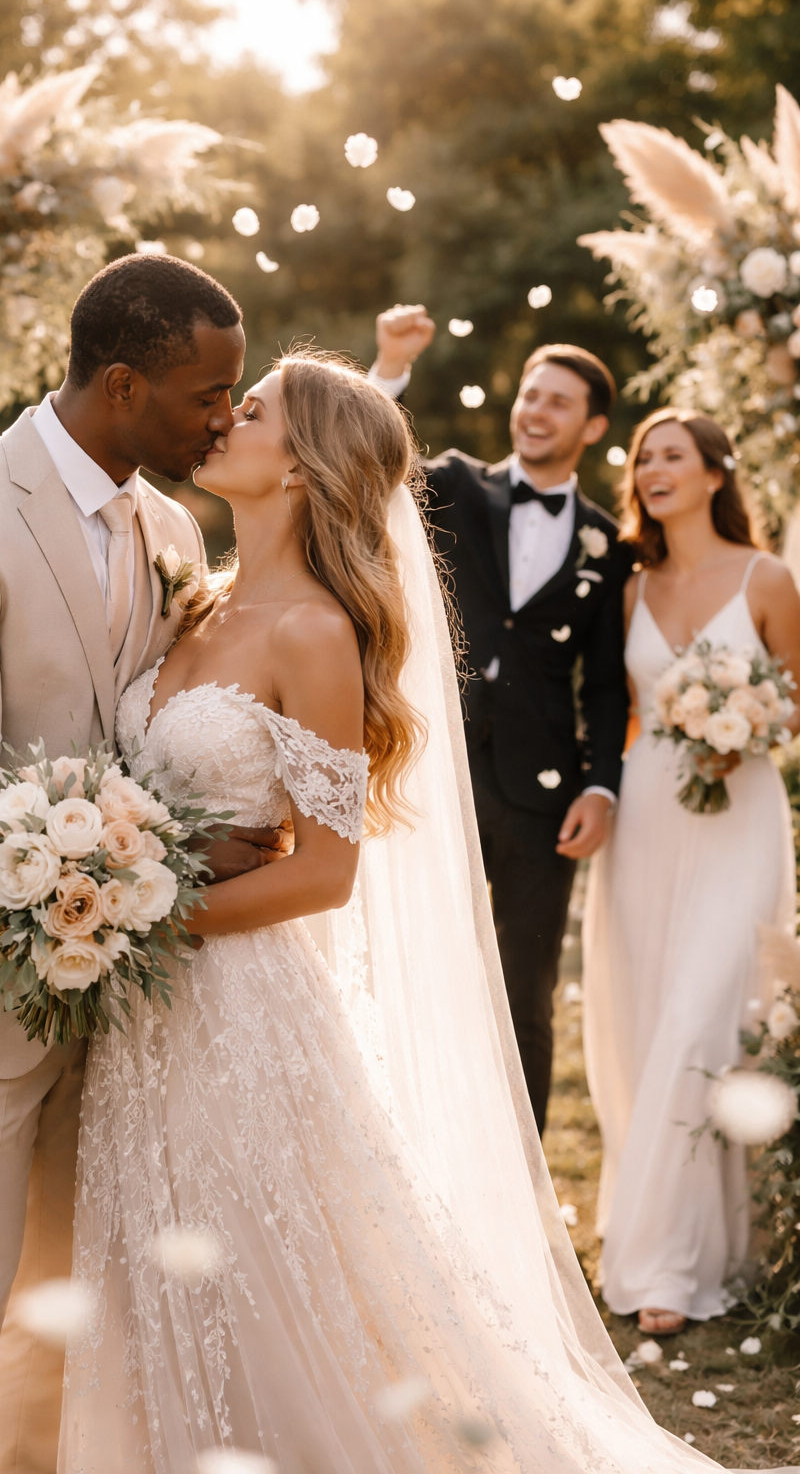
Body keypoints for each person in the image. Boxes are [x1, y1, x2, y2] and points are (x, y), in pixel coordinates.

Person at [61, 349, 765, 1473]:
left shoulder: (315, 634)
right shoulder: (188, 594)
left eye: (249, 411)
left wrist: (137, 914)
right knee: (154, 1266)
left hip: (236, 1008)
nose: (220, 421)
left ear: (300, 468)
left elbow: (326, 873)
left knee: (271, 1273)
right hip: (139, 1005)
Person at [0, 255, 290, 1473]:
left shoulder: (170, 527)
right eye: (209, 392)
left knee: (59, 1318)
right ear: (124, 382)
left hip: (120, 1008)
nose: (224, 416)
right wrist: (182, 856)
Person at [370, 309, 631, 1133]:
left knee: (528, 991)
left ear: (591, 426)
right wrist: (390, 368)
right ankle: (416, 1145)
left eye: (558, 402)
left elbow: (607, 685)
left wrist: (601, 785)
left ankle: (525, 1183)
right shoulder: (451, 482)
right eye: (530, 394)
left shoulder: (604, 540)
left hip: (542, 796)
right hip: (435, 770)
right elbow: (369, 466)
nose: (535, 410)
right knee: (419, 967)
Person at [582, 408, 800, 1336]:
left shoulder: (767, 578)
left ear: (715, 472)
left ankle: (667, 1266)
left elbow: (797, 706)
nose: (652, 470)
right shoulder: (628, 588)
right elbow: (618, 710)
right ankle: (680, 1236)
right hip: (649, 820)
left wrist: (751, 727)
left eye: (672, 456)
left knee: (704, 1019)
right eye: (643, 460)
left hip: (739, 820)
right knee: (644, 1022)